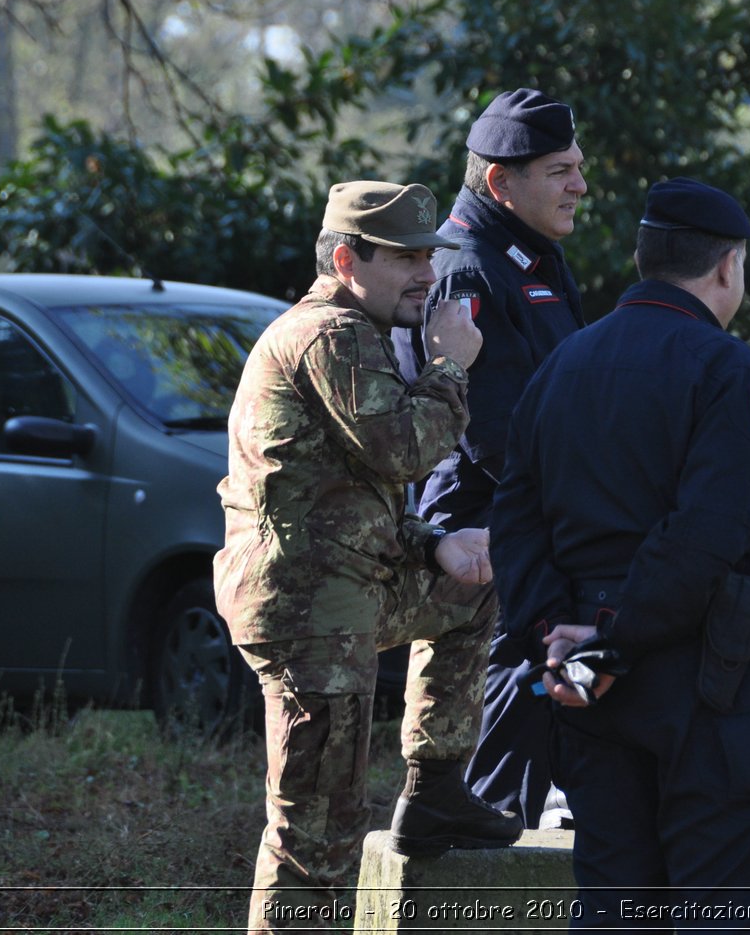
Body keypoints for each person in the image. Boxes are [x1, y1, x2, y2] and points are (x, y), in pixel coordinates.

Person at [214, 180, 522, 934]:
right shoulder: (331, 336)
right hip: (310, 612)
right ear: (349, 259)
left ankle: (437, 787)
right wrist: (452, 365)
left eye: (430, 255)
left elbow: (341, 498)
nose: (427, 273)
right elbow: (404, 450)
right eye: (408, 258)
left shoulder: (353, 332)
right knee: (315, 835)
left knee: (473, 591)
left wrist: (436, 544)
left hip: (343, 588)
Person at [492, 178, 750, 929]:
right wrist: (613, 641)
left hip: (589, 691)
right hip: (705, 686)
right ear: (728, 267)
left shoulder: (560, 367)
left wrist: (559, 637)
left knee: (616, 909)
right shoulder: (729, 370)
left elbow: (516, 520)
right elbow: (706, 535)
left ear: (640, 257)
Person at [394, 88, 588, 829]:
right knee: (512, 669)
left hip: (549, 508)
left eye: (577, 166)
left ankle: (559, 795)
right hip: (493, 516)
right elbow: (490, 432)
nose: (579, 184)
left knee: (570, 656)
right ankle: (494, 827)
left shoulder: (535, 252)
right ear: (501, 183)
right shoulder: (469, 266)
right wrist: (577, 507)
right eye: (559, 170)